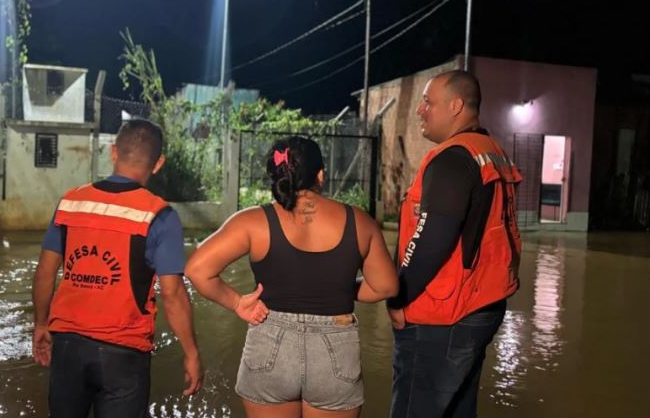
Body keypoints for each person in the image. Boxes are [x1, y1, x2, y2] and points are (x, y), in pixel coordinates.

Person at [186, 136, 399, 418]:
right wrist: (343, 290)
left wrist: (237, 303)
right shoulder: (359, 221)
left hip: (269, 345)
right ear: (320, 174)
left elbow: (197, 270)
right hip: (335, 350)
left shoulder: (252, 221)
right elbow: (385, 286)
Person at [31, 119, 203, 418]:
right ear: (159, 163)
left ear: (113, 152)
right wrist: (191, 353)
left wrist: (41, 324)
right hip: (124, 353)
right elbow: (172, 294)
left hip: (68, 346)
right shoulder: (159, 215)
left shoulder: (71, 202)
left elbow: (45, 271)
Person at [387, 70, 523, 418]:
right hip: (484, 304)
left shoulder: (452, 158)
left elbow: (432, 237)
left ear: (456, 106)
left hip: (444, 312)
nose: (421, 110)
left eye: (428, 102)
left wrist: (398, 296)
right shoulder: (490, 151)